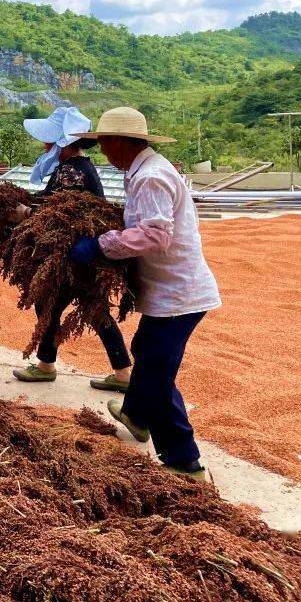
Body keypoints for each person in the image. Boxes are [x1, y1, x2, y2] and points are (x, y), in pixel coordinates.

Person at [70, 107, 220, 480]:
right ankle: (136, 417)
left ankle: (184, 462)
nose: (104, 154)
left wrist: (102, 246)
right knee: (147, 353)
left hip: (179, 294)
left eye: (104, 145)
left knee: (157, 375)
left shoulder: (150, 177)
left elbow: (155, 235)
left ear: (120, 142)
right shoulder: (144, 173)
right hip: (168, 289)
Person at [9, 107, 133, 391]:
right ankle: (121, 372)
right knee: (89, 309)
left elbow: (58, 215)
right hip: (84, 253)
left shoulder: (70, 171)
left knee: (54, 304)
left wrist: (24, 212)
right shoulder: (81, 166)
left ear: (63, 142)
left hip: (75, 255)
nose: (45, 145)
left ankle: (46, 366)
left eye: (49, 140)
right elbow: (53, 201)